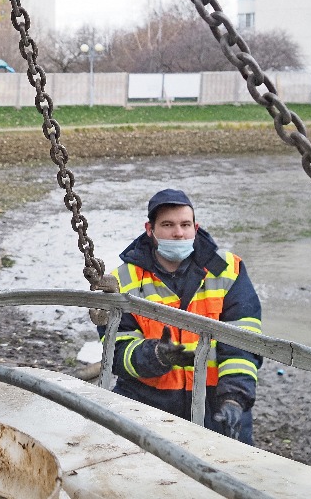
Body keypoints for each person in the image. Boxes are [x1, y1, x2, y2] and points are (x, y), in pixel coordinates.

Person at [98, 189, 262, 444]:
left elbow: (244, 343)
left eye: (185, 225)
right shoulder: (122, 280)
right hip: (148, 405)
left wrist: (234, 398)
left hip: (215, 403)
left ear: (196, 227)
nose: (179, 233)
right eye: (168, 225)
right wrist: (155, 355)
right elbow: (115, 353)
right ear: (149, 229)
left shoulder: (228, 269)